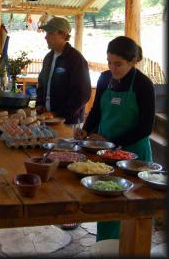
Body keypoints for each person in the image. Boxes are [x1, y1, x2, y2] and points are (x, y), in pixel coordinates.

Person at [74, 35, 155, 243]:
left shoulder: (144, 85)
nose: (112, 68)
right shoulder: (104, 78)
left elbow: (146, 127)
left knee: (135, 208)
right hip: (106, 153)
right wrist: (86, 129)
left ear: (132, 61)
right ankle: (106, 247)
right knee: (108, 201)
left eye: (118, 64)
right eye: (109, 62)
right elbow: (96, 112)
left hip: (135, 155)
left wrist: (112, 143)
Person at [36, 16, 91, 230]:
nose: (46, 37)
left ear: (62, 34)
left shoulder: (76, 59)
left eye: (49, 33)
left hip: (68, 123)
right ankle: (55, 206)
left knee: (68, 167)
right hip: (48, 120)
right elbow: (41, 83)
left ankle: (72, 212)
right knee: (52, 164)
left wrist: (63, 115)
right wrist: (40, 104)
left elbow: (83, 93)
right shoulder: (49, 58)